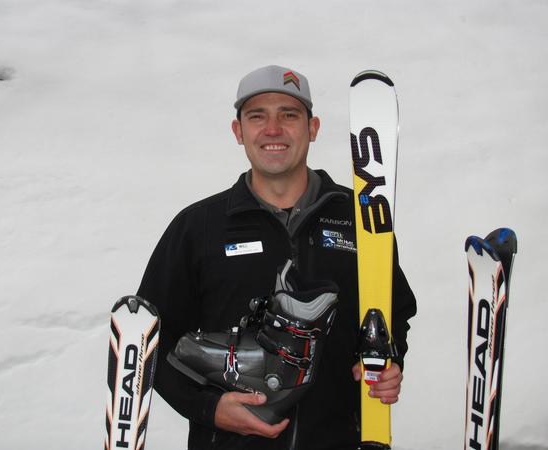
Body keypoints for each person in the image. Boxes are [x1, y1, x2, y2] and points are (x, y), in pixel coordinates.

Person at [137, 65, 416, 450]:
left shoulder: (362, 220)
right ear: (239, 132)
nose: (273, 129)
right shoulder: (198, 227)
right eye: (257, 116)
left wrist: (389, 360)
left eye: (288, 115)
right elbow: (148, 339)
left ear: (312, 127)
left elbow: (394, 312)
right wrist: (209, 408)